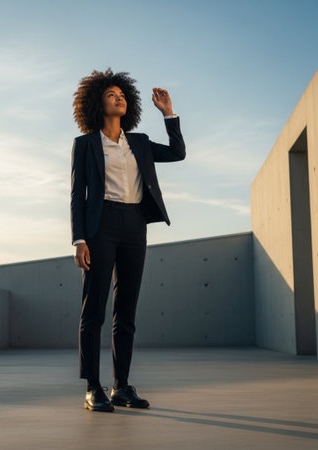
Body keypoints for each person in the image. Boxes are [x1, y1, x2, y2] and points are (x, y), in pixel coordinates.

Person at [71, 69, 186, 412]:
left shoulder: (138, 142)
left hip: (135, 224)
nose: (119, 97)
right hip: (100, 225)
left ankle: (121, 386)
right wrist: (79, 239)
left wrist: (168, 114)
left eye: (122, 94)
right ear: (97, 104)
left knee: (127, 309)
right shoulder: (86, 145)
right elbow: (78, 195)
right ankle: (93, 387)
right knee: (94, 308)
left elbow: (178, 153)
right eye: (111, 94)